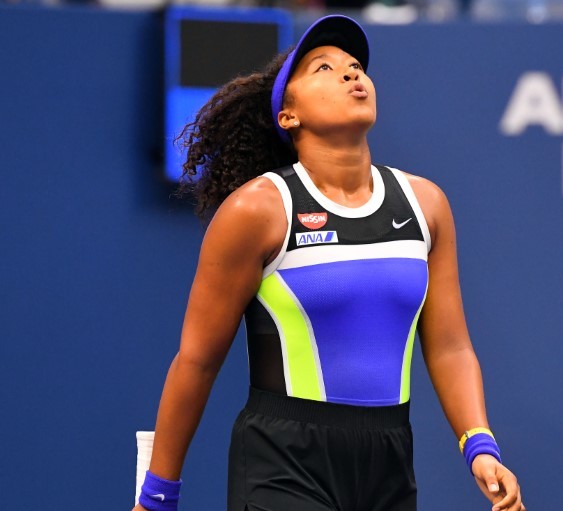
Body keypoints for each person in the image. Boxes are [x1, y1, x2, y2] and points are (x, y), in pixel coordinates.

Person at [133, 14, 524, 511]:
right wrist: (158, 493)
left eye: (356, 65)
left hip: (390, 460)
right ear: (288, 115)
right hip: (283, 461)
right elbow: (197, 360)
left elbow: (449, 346)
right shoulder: (257, 210)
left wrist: (479, 446)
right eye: (323, 67)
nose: (350, 73)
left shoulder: (426, 204)